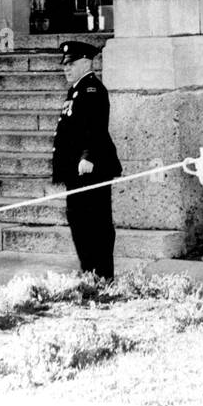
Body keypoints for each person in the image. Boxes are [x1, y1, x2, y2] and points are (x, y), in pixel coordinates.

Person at [51, 39, 122, 281]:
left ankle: (102, 277)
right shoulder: (76, 90)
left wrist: (88, 156)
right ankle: (90, 273)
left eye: (71, 64)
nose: (66, 68)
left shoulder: (93, 89)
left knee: (96, 224)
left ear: (85, 62)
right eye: (65, 65)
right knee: (79, 223)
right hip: (75, 171)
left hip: (91, 169)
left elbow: (96, 127)